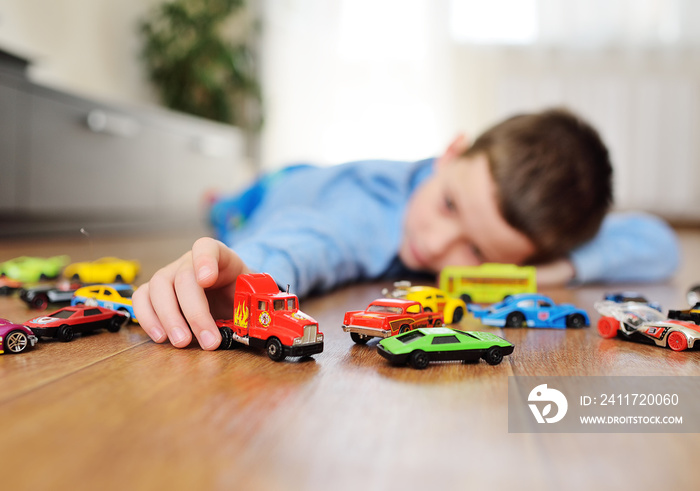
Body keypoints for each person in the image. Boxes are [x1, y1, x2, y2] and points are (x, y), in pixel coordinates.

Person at [133, 108, 679, 350]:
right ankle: (227, 198)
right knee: (233, 206)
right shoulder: (365, 219)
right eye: (448, 205)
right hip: (284, 194)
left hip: (317, 187)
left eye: (477, 249)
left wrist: (544, 271)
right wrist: (248, 271)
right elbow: (309, 242)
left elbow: (655, 240)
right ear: (450, 153)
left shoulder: (510, 229)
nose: (438, 244)